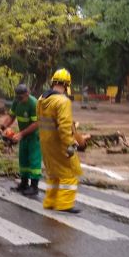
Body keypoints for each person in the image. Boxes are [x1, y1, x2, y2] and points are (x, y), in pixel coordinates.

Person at [38, 69, 83, 213]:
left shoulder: (41, 99)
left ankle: (50, 201)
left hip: (45, 142)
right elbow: (64, 126)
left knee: (54, 173)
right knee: (69, 172)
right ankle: (64, 204)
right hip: (59, 143)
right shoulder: (63, 101)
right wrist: (70, 144)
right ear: (67, 84)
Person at [1, 83, 42, 196]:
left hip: (34, 136)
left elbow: (36, 123)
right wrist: (2, 127)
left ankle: (34, 187)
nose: (19, 100)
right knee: (23, 159)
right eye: (17, 97)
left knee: (34, 160)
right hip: (23, 135)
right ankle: (24, 183)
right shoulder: (17, 102)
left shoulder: (33, 104)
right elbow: (11, 116)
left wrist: (21, 134)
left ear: (27, 94)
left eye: (21, 97)